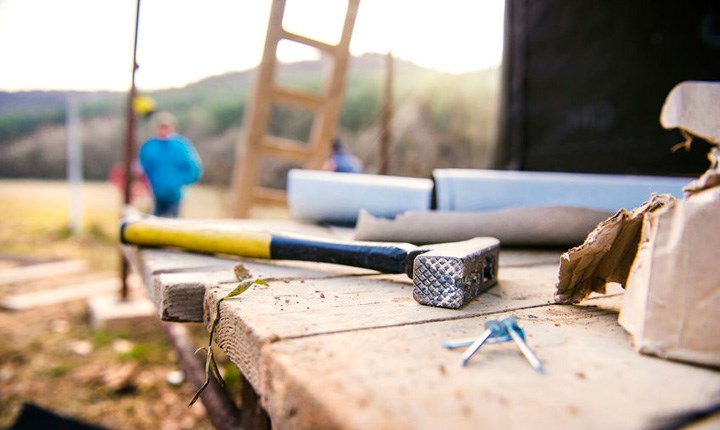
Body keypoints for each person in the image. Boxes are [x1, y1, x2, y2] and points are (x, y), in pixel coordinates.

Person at [138, 112, 202, 217]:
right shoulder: (149, 146)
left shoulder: (181, 146)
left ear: (172, 127)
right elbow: (142, 168)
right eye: (161, 127)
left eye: (166, 127)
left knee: (172, 224)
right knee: (155, 225)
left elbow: (194, 169)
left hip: (175, 195)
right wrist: (146, 184)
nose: (163, 130)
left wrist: (178, 183)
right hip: (156, 194)